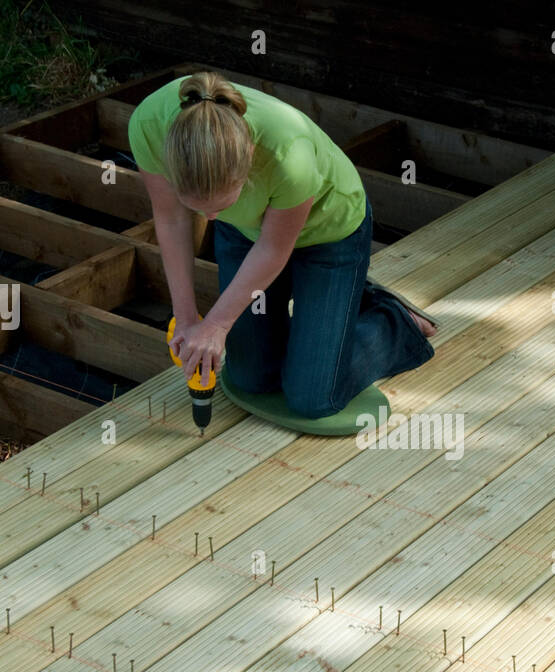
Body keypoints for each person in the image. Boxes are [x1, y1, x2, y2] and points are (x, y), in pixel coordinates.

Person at [128, 70, 437, 419]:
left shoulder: (288, 153)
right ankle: (330, 308)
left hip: (328, 236)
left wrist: (215, 326)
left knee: (312, 397)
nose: (210, 218)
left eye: (220, 205)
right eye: (199, 207)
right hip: (247, 234)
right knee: (250, 378)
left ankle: (392, 320)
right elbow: (171, 219)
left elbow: (273, 249)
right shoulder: (150, 126)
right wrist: (185, 318)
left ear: (248, 162)